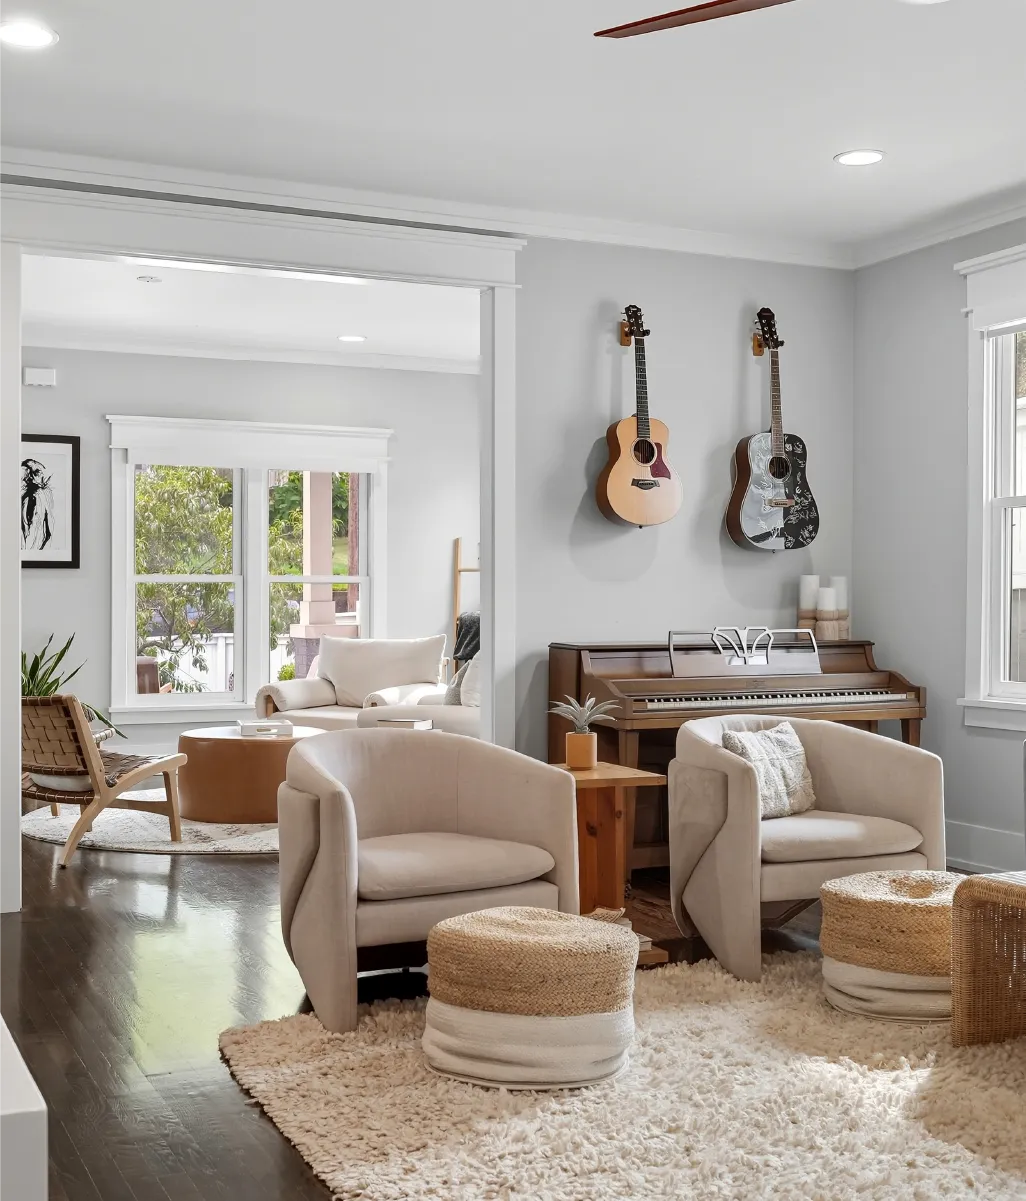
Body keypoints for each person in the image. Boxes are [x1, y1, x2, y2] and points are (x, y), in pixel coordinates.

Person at [21, 457, 54, 551]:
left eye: (37, 472)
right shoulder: (25, 497)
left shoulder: (42, 496)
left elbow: (48, 533)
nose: (29, 477)